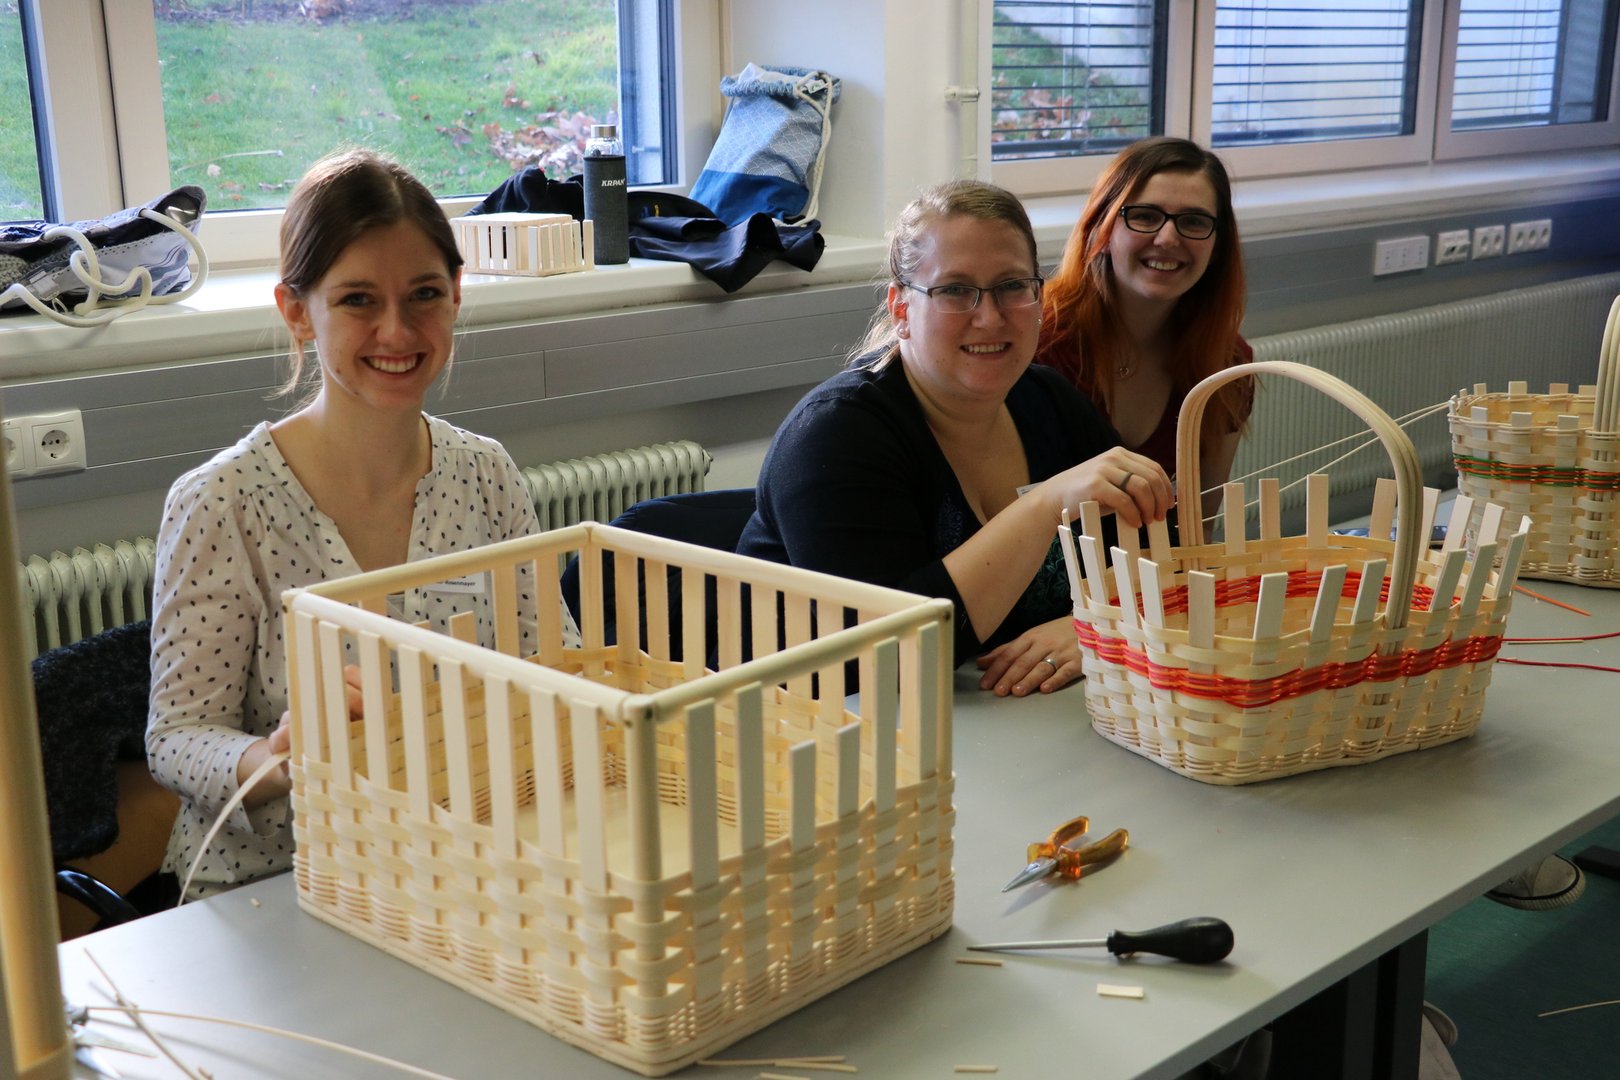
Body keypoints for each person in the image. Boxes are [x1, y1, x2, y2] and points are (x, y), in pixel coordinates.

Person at [147, 149, 579, 900]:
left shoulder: (487, 475)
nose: (396, 331)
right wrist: (278, 758)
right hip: (273, 888)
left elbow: (557, 669)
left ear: (456, 296)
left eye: (424, 294)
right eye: (356, 300)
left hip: (457, 871)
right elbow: (176, 738)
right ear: (297, 312)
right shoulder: (222, 502)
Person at [735, 180, 1172, 697]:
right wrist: (1045, 505)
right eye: (954, 290)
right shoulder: (835, 434)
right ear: (901, 310)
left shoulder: (1048, 399)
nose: (989, 317)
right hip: (808, 722)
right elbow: (890, 652)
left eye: (1012, 285)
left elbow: (1167, 549)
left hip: (994, 720)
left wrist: (1097, 627)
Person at [1034, 137, 1253, 522]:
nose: (1167, 239)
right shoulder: (1037, 344)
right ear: (1101, 229)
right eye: (1146, 216)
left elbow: (1199, 528)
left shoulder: (1228, 363)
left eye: (1194, 221)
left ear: (1217, 246)